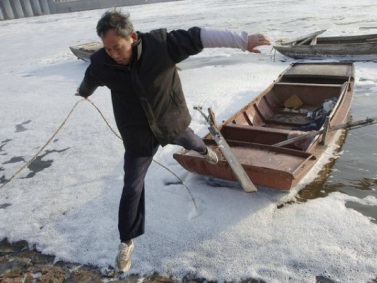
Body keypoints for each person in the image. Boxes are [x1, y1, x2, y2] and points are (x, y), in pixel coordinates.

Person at [76, 9, 271, 273]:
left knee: (193, 142)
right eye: (108, 49)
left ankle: (206, 152)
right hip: (138, 136)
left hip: (170, 123)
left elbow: (198, 36)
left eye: (117, 47)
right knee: (132, 186)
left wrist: (242, 40)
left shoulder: (160, 46)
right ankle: (126, 241)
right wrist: (84, 92)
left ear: (132, 37)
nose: (113, 54)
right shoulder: (103, 62)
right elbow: (91, 78)